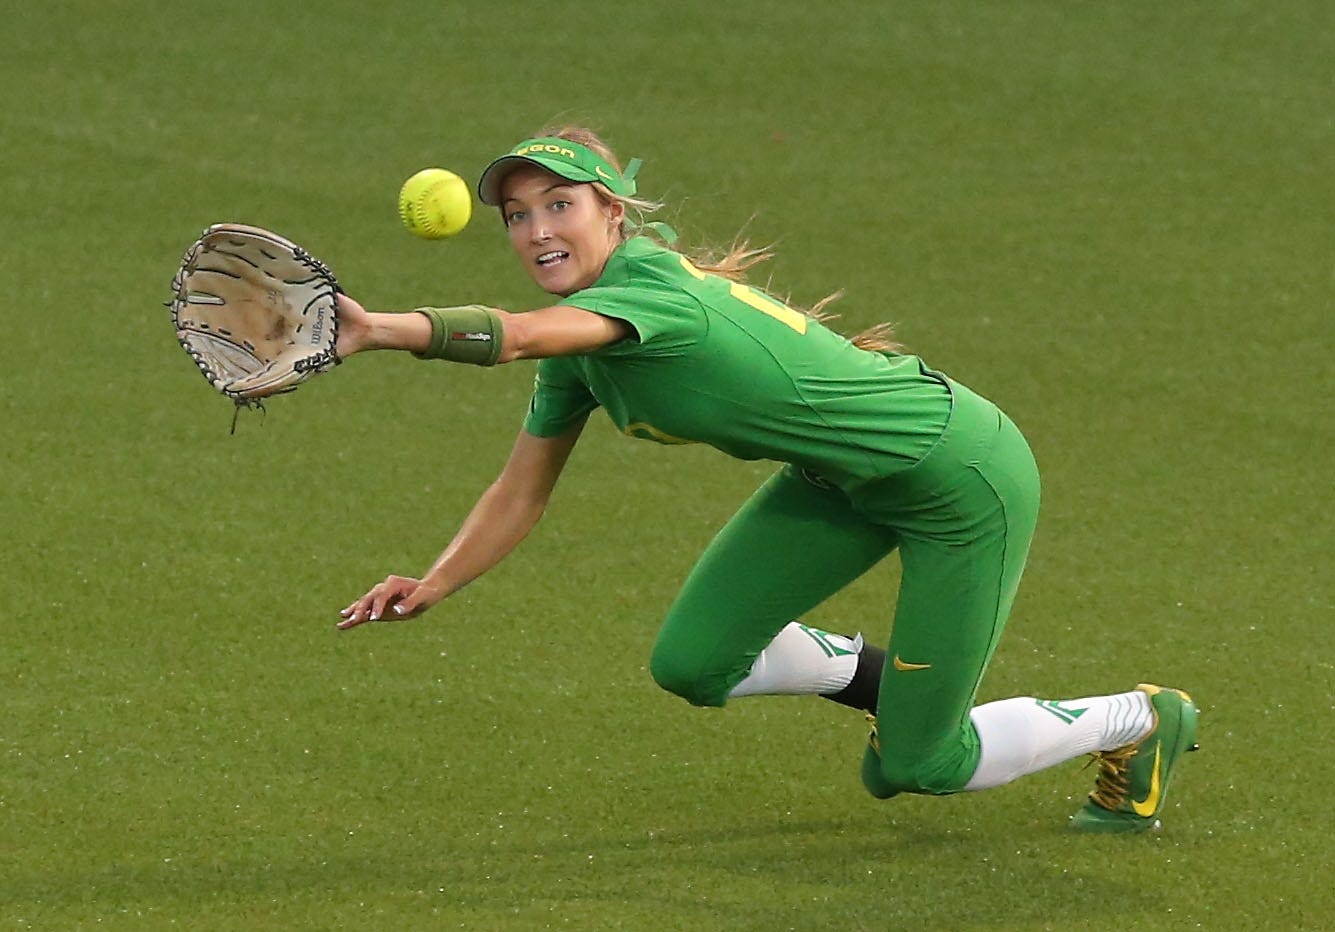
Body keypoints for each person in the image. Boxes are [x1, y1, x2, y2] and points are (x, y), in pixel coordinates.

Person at [333, 126, 1197, 833]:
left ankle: (1142, 720)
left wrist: (380, 330)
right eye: (518, 216)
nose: (537, 231)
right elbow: (520, 490)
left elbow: (509, 336)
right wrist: (435, 580)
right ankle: (884, 686)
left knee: (920, 765)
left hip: (957, 478)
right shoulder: (580, 341)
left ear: (612, 215)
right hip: (836, 481)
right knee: (694, 664)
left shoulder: (653, 298)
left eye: (560, 205)